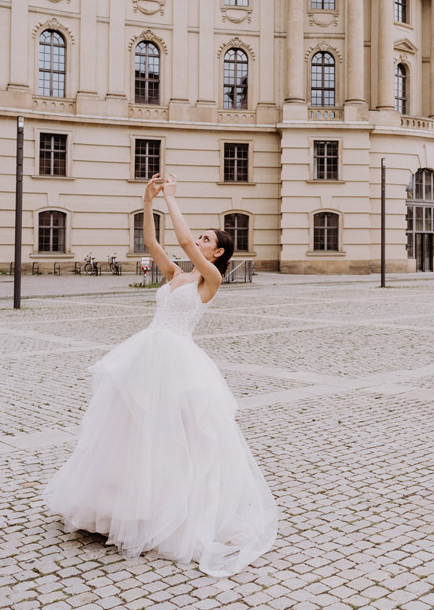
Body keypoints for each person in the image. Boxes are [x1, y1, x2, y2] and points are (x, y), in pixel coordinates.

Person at [44, 173, 278, 575]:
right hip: (147, 351)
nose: (198, 241)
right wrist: (148, 200)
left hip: (178, 361)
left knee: (172, 434)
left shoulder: (212, 280)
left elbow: (185, 242)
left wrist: (172, 197)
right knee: (131, 427)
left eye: (208, 240)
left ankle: (164, 511)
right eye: (201, 237)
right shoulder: (177, 276)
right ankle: (116, 507)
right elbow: (153, 244)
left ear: (218, 253)